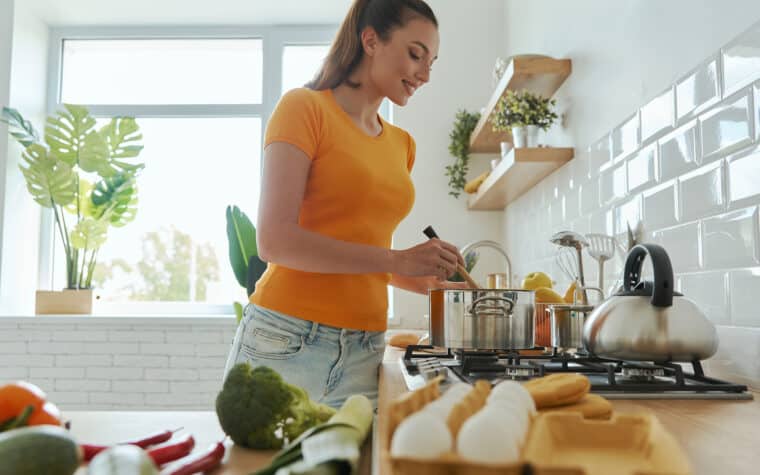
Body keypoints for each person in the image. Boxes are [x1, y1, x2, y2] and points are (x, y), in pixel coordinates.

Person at [223, 0, 470, 409]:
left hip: (366, 349)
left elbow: (363, 253)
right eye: (415, 54)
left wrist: (423, 278)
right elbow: (274, 241)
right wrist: (396, 260)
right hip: (285, 339)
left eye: (432, 63)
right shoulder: (304, 108)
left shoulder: (402, 145)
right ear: (370, 40)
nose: (424, 75)